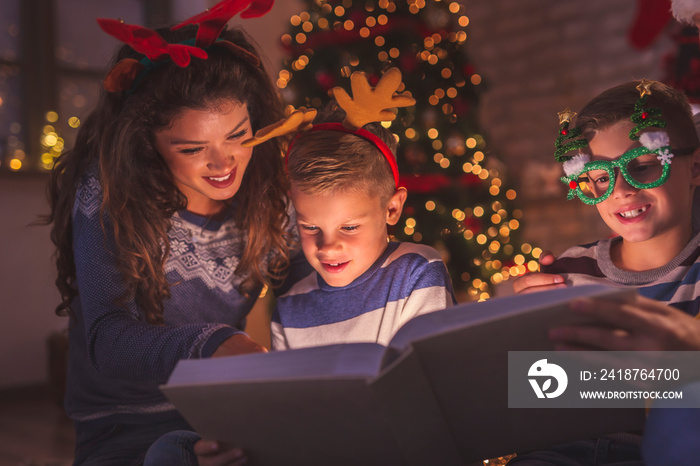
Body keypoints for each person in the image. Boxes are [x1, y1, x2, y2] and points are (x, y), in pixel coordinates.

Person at [44, 2, 304, 464]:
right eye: (193, 148)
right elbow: (107, 339)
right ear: (148, 144)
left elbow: (305, 288)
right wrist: (211, 342)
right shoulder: (110, 194)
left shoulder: (268, 188)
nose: (224, 164)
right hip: (123, 426)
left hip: (224, 414)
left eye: (237, 135)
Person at [509, 79, 700, 465]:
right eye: (598, 178)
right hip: (557, 452)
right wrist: (513, 330)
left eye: (643, 167)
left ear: (695, 168)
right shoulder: (567, 271)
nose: (620, 190)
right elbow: (533, 388)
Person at [267, 96, 458, 349]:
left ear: (391, 208)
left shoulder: (417, 273)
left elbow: (436, 373)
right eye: (311, 227)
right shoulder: (287, 311)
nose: (328, 247)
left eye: (349, 227)